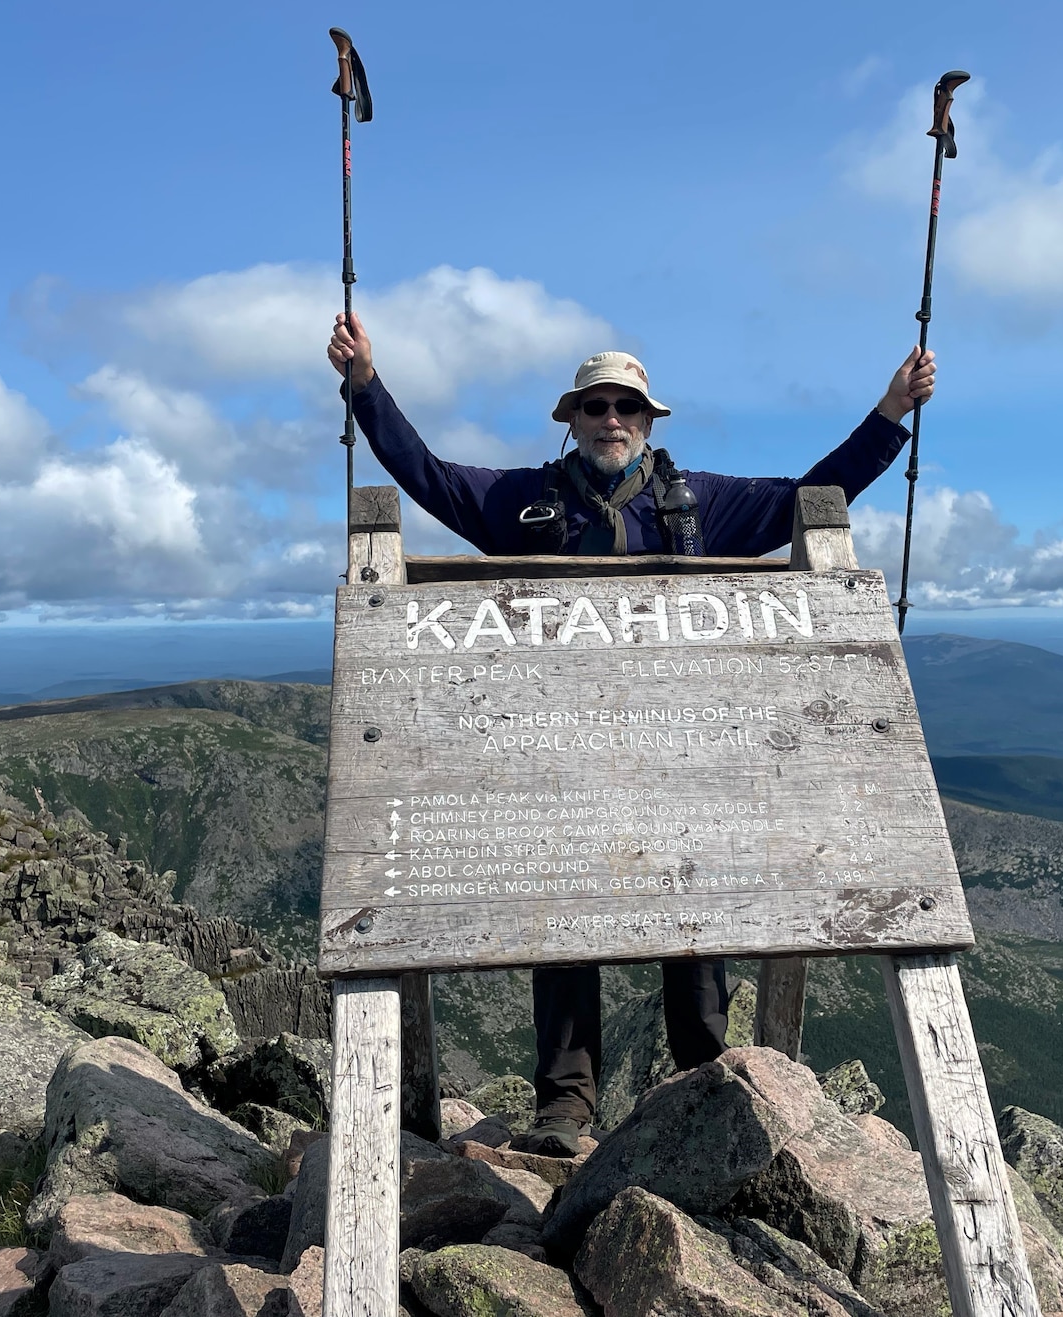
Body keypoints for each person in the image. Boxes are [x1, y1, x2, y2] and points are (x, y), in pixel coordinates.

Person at [327, 311, 934, 1155]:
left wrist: (887, 415)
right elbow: (427, 475)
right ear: (571, 419)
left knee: (696, 907)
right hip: (561, 760)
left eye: (627, 407)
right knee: (564, 916)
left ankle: (701, 1080)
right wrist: (365, 387)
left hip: (679, 756)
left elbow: (806, 502)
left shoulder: (702, 503)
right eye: (596, 405)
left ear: (648, 421)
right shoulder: (521, 503)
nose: (612, 419)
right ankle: (566, 1110)